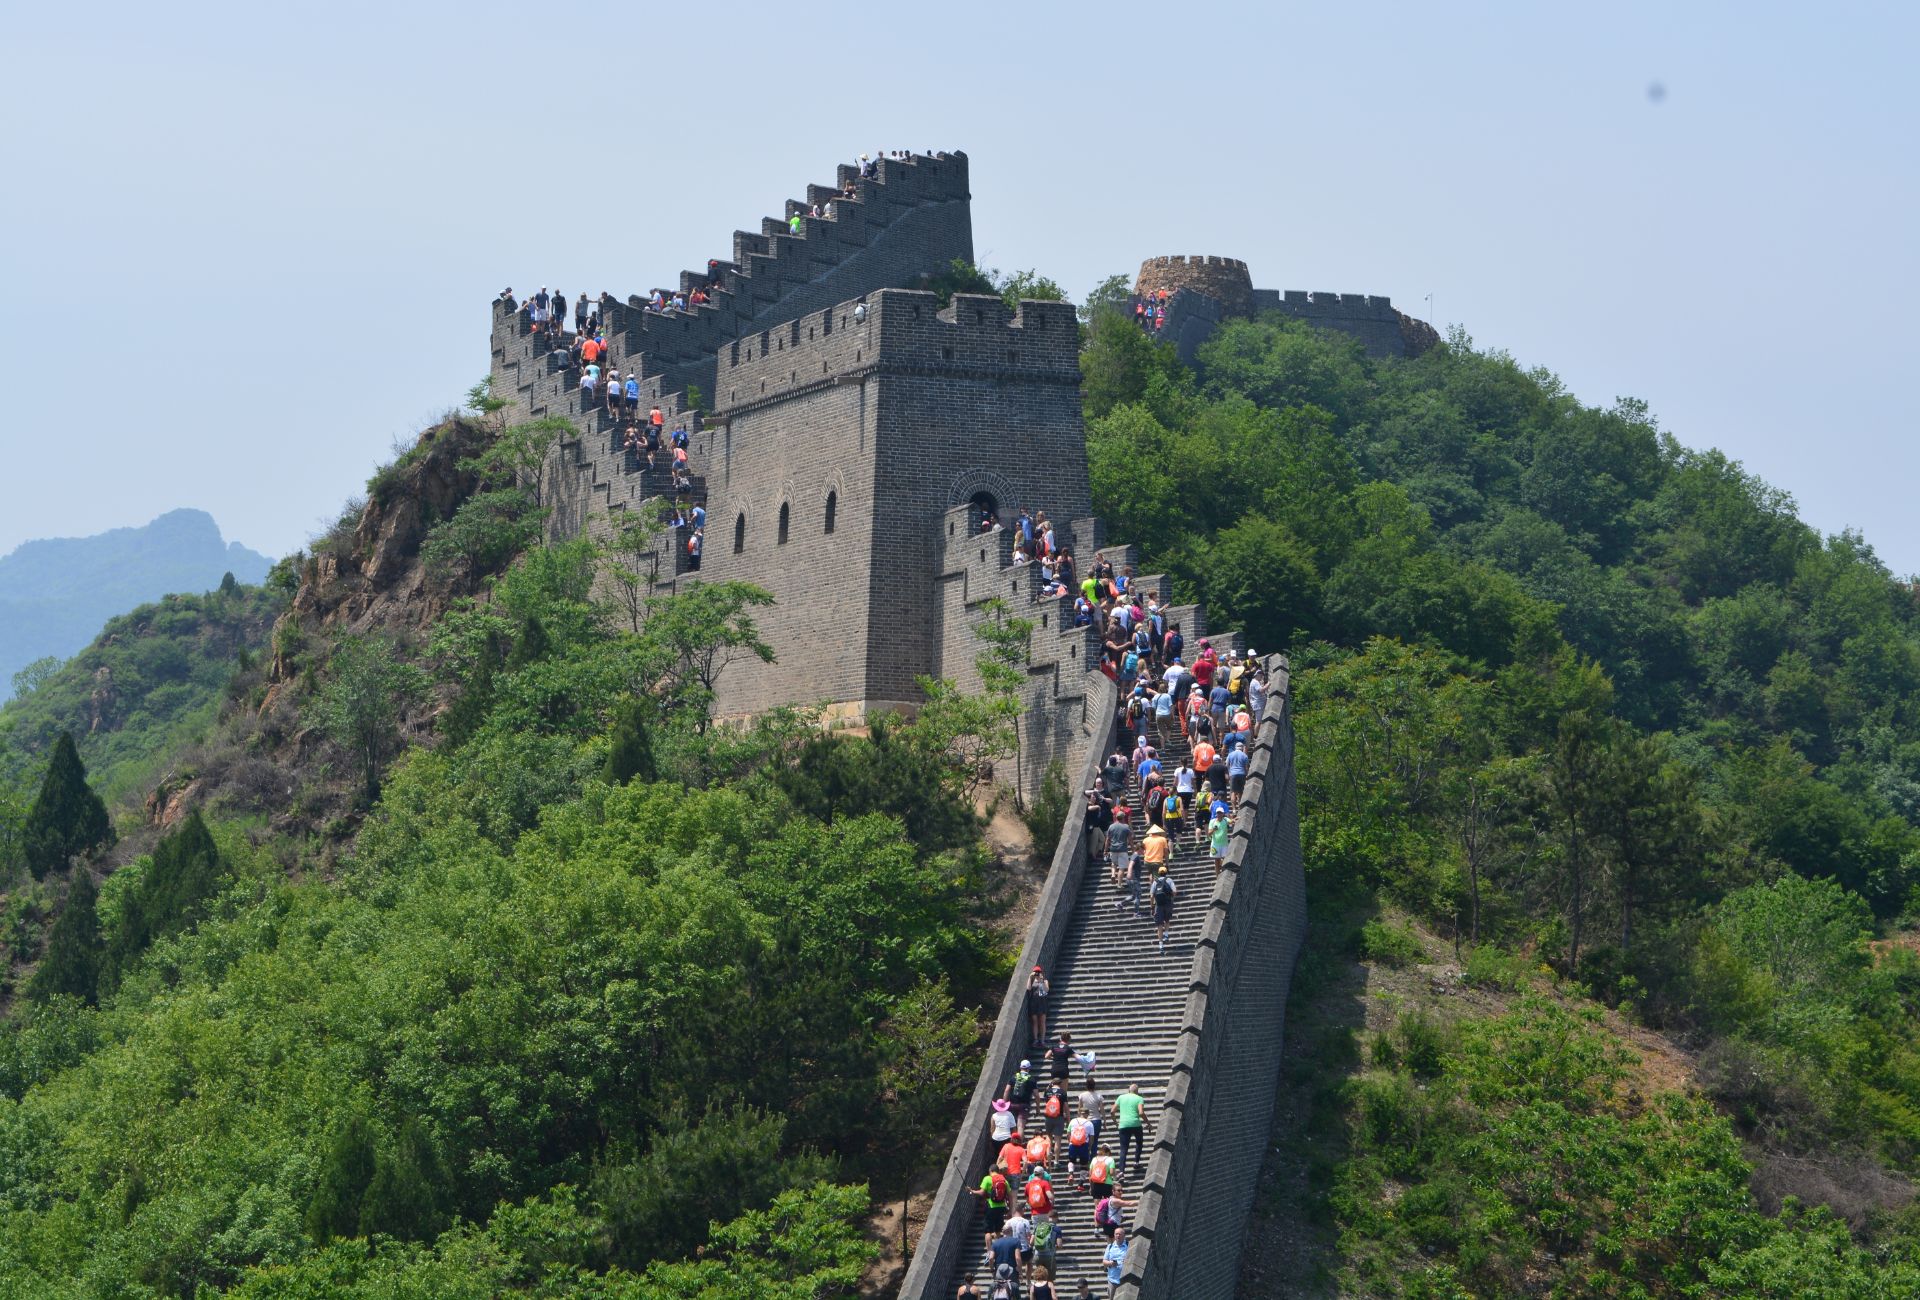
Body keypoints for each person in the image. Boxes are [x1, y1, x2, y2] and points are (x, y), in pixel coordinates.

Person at [970, 1163, 1013, 1255]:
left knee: (988, 1231)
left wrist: (972, 1191)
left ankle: (989, 1252)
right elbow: (1010, 1196)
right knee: (998, 1230)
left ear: (990, 1171)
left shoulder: (987, 1179)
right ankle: (998, 1249)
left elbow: (982, 1193)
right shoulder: (1004, 1180)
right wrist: (1010, 1210)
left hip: (990, 1207)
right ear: (998, 1171)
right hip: (1001, 1207)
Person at [1113, 1084, 1153, 1180]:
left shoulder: (1121, 1097)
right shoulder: (1139, 1098)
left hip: (1123, 1125)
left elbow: (1112, 1111)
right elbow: (1141, 1113)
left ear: (1128, 1090)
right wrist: (1148, 1123)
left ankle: (1121, 1172)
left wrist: (1116, 1122)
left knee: (1123, 1149)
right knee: (1139, 1142)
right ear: (1137, 1091)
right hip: (1136, 1124)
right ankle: (1136, 1162)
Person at [1150, 866, 1178, 954]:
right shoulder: (1169, 880)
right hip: (1167, 903)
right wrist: (1171, 897)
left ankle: (1161, 945)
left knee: (1159, 925)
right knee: (1167, 919)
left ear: (1158, 873)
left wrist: (1152, 906)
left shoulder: (1155, 882)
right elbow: (1175, 891)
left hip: (1158, 905)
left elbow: (1151, 896)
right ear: (1166, 873)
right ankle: (1166, 935)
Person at [1005, 1058, 1037, 1130]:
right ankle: (1018, 1141)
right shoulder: (1031, 1079)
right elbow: (1036, 1095)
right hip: (1024, 1105)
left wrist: (1005, 1104)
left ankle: (1011, 1140)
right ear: (1029, 1068)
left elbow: (1007, 1090)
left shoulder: (1014, 1077)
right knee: (1020, 1126)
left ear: (1020, 1067)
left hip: (1012, 1104)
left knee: (1010, 1125)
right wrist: (1037, 1108)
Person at [1104, 1226, 1130, 1297]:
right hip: (1113, 1279)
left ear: (1124, 1235)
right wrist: (1110, 1263)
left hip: (1125, 1279)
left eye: (1120, 1234)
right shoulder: (1110, 1246)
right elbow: (1104, 1262)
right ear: (1114, 1235)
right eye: (1116, 1234)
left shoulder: (1129, 1246)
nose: (1118, 1235)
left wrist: (1127, 1260)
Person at [1027, 968, 1050, 1047]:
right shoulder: (1032, 980)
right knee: (1035, 1022)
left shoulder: (1045, 981)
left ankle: (1042, 1040)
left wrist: (1041, 981)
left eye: (1039, 972)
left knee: (1042, 1022)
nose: (1037, 973)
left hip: (1042, 1003)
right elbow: (1028, 988)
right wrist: (1030, 977)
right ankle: (1036, 1040)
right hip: (1033, 1003)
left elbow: (1045, 991)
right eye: (1036, 972)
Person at [1209, 808, 1232, 874]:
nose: (1219, 814)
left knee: (1224, 859)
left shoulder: (1225, 819)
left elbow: (1231, 821)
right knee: (1216, 861)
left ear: (1223, 814)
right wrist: (1213, 829)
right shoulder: (1212, 821)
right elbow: (1209, 833)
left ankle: (1223, 871)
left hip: (1224, 844)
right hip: (1215, 845)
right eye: (1218, 813)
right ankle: (1218, 876)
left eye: (1220, 813)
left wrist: (1235, 819)